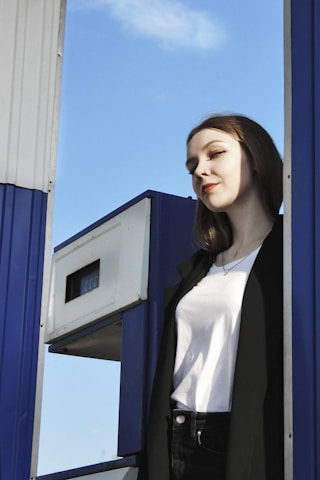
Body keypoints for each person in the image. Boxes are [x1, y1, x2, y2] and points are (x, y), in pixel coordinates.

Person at [138, 114, 283, 480]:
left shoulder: (293, 253)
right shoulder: (197, 270)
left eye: (215, 153)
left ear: (256, 157)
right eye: (192, 165)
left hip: (239, 441)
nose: (201, 170)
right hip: (175, 441)